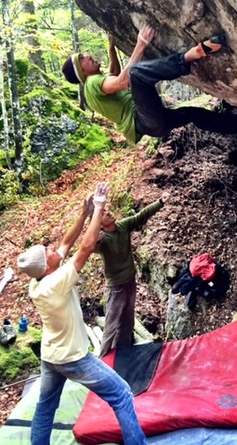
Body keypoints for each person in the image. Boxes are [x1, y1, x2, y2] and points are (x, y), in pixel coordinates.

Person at [17, 182, 147, 445]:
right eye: (48, 251)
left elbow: (67, 243)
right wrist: (98, 209)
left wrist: (84, 213)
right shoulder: (57, 282)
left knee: (46, 406)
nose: (53, 249)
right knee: (121, 394)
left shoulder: (40, 281)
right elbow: (85, 248)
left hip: (50, 354)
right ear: (47, 265)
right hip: (71, 357)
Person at [62, 26, 237, 144]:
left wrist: (111, 49)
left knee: (193, 114)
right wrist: (141, 44)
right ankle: (189, 56)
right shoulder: (92, 83)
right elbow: (123, 80)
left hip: (154, 125)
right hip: (145, 119)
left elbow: (114, 74)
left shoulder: (92, 88)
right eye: (82, 59)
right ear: (82, 71)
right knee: (135, 74)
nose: (87, 56)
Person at [94, 193, 169, 357]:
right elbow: (88, 248)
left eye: (107, 210)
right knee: (111, 324)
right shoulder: (102, 240)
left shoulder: (122, 226)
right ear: (99, 224)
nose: (107, 213)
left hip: (130, 281)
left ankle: (124, 352)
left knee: (127, 321)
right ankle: (104, 358)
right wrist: (93, 237)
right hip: (115, 287)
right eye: (103, 213)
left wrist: (160, 202)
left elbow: (140, 217)